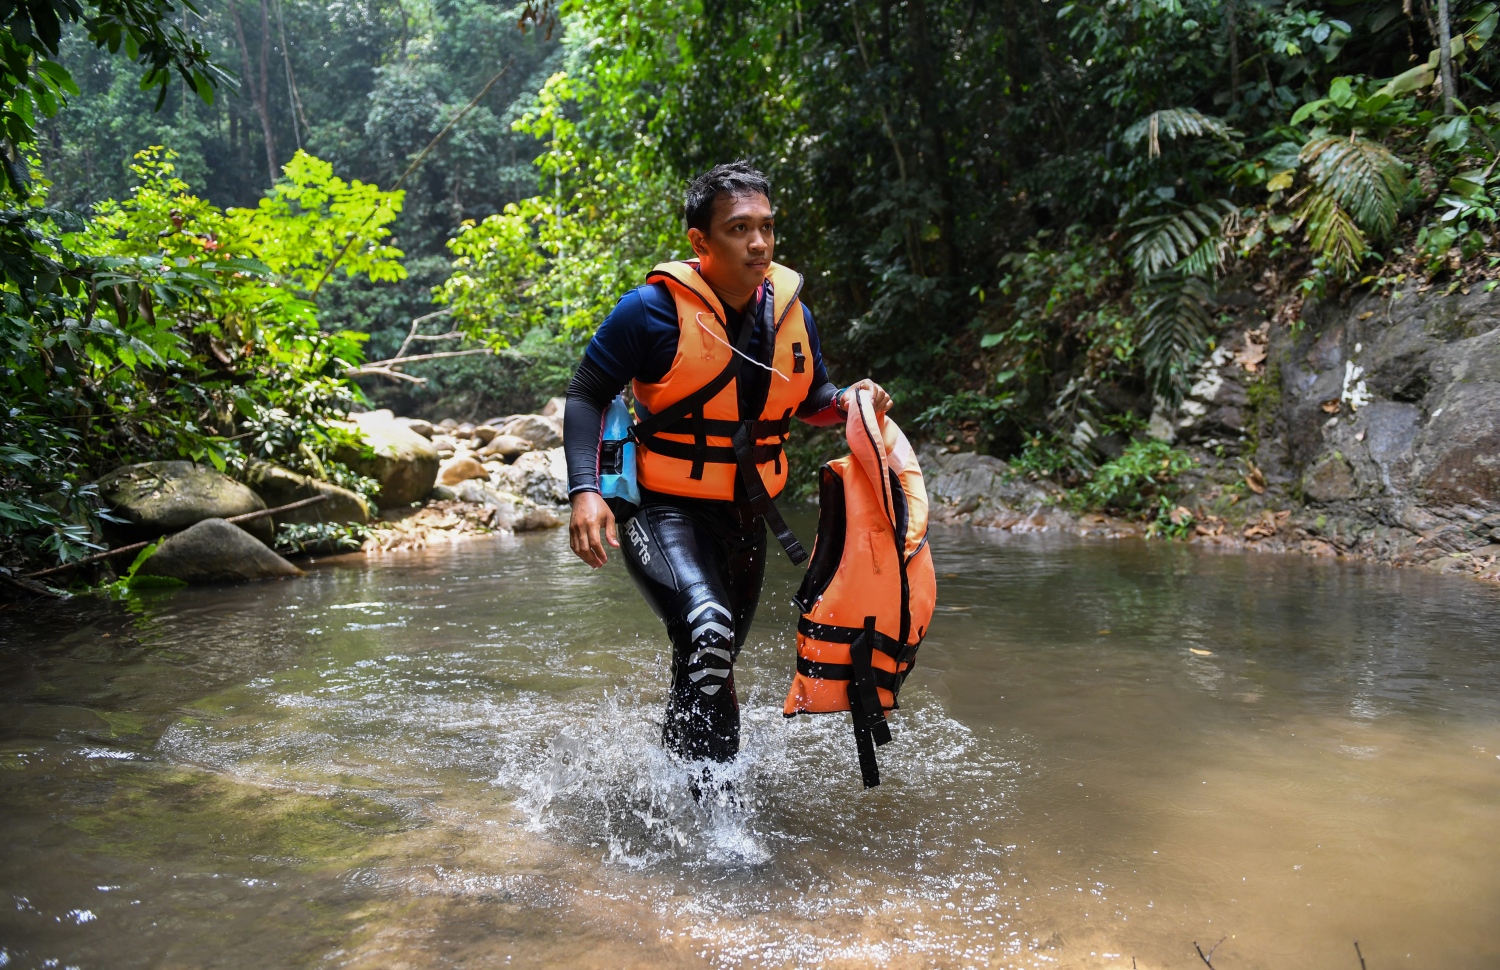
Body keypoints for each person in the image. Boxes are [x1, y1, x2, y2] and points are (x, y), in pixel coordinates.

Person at [563, 160, 891, 766]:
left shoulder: (792, 313)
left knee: (708, 658)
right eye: (740, 229)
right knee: (708, 630)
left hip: (747, 515)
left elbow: (813, 398)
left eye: (766, 226)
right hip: (662, 508)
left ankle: (676, 793)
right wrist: (584, 490)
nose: (759, 242)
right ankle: (720, 819)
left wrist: (850, 401)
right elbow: (586, 392)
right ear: (701, 241)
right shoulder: (648, 311)